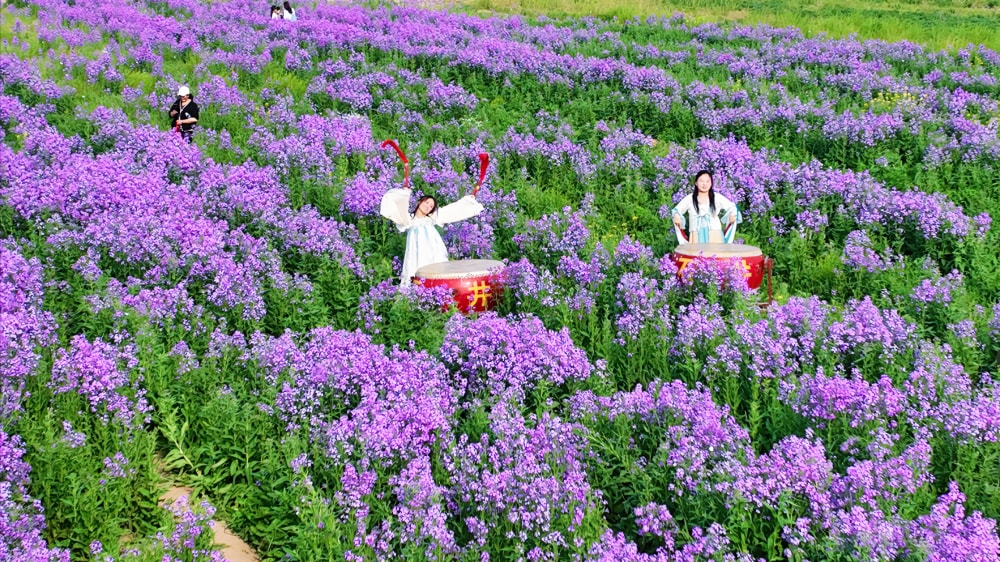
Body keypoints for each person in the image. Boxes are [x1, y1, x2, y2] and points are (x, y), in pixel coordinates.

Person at [380, 186, 484, 285]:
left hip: (434, 251)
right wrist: (404, 194)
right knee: (417, 268)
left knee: (437, 270)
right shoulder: (410, 220)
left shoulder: (432, 218)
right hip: (417, 251)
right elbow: (400, 209)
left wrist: (468, 201)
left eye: (431, 206)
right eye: (427, 203)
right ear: (420, 202)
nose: (428, 207)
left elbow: (453, 210)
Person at [671, 170, 741, 244]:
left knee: (715, 251)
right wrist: (676, 215)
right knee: (696, 251)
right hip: (696, 234)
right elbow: (676, 210)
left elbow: (732, 207)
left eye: (707, 181)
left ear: (711, 183)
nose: (704, 184)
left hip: (714, 233)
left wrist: (732, 214)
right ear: (696, 183)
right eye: (701, 181)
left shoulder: (716, 197)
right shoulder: (690, 198)